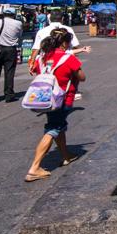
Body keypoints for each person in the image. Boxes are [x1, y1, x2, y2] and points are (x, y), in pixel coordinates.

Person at [25, 28, 85, 182]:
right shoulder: (67, 58)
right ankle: (35, 168)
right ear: (64, 42)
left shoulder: (42, 57)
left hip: (46, 99)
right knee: (53, 129)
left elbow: (36, 71)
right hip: (63, 98)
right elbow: (82, 77)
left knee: (57, 125)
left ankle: (66, 155)